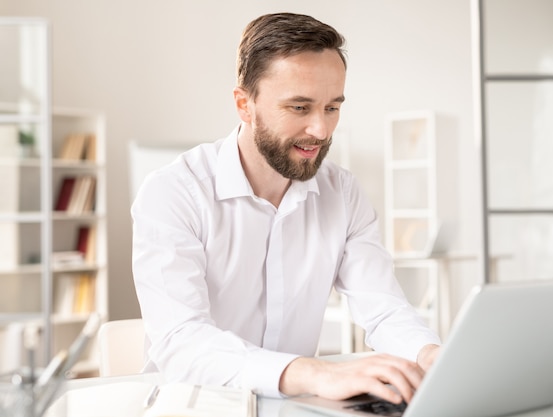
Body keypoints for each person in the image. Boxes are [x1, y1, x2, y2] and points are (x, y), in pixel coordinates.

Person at [131, 12, 441, 404]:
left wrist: (429, 355)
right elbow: (180, 341)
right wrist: (312, 371)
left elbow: (383, 310)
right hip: (195, 406)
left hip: (293, 408)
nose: (321, 130)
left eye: (332, 107)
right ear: (245, 104)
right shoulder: (174, 192)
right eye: (299, 108)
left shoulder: (342, 193)